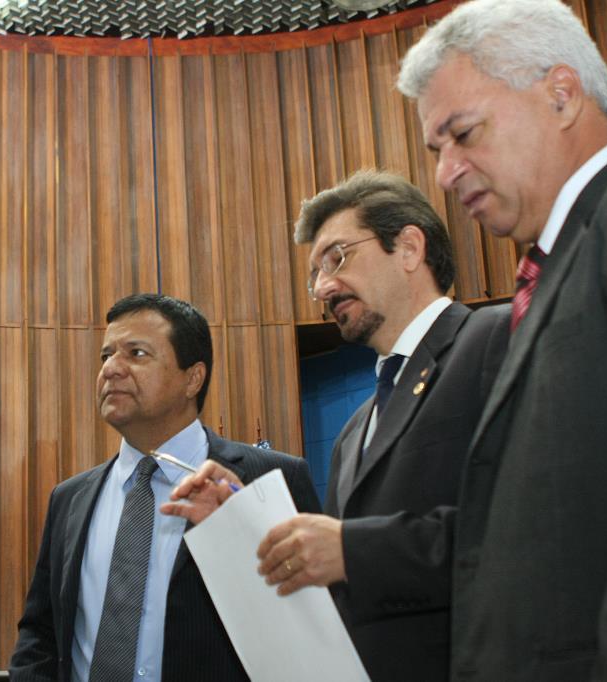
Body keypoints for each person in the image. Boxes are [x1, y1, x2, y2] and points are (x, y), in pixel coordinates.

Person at [396, 0, 607, 679]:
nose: (445, 173)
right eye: (437, 150)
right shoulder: (552, 269)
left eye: (463, 133)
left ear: (562, 94)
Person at [165, 170, 510, 681]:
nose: (324, 287)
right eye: (316, 274)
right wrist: (246, 527)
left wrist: (352, 549)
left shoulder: (499, 338)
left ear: (409, 248)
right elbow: (344, 588)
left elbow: (536, 529)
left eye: (338, 258)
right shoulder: (353, 432)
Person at [8, 293, 321, 681]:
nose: (111, 369)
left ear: (193, 378)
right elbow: (41, 632)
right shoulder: (69, 498)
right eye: (106, 355)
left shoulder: (271, 479)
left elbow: (312, 623)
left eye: (136, 353)